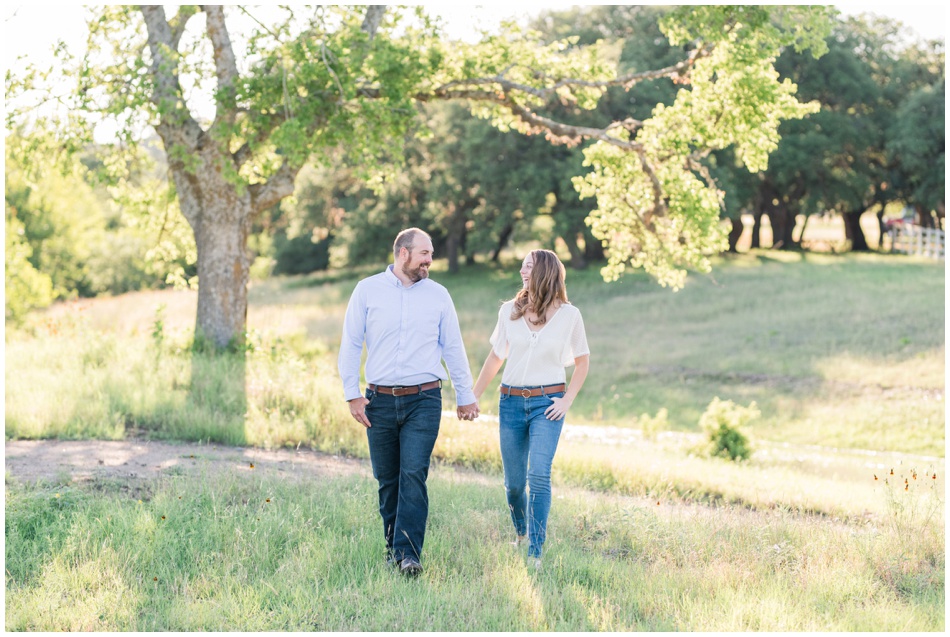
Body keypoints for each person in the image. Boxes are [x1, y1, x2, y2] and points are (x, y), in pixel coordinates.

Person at [338, 228, 479, 577]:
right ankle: (393, 550)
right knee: (387, 479)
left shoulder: (439, 295)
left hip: (424, 398)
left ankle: (409, 555)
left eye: (431, 254)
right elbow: (351, 342)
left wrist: (466, 396)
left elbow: (453, 348)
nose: (430, 261)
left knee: (413, 474)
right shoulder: (367, 290)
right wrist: (352, 394)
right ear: (403, 253)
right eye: (425, 254)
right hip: (378, 400)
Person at [472, 249, 590, 569]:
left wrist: (567, 401)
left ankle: (535, 551)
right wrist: (474, 395)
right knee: (513, 485)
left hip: (547, 404)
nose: (523, 272)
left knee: (538, 474)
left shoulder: (570, 315)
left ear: (546, 272)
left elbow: (582, 362)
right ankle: (522, 533)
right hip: (510, 404)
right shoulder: (509, 311)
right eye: (522, 266)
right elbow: (497, 356)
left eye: (529, 267)